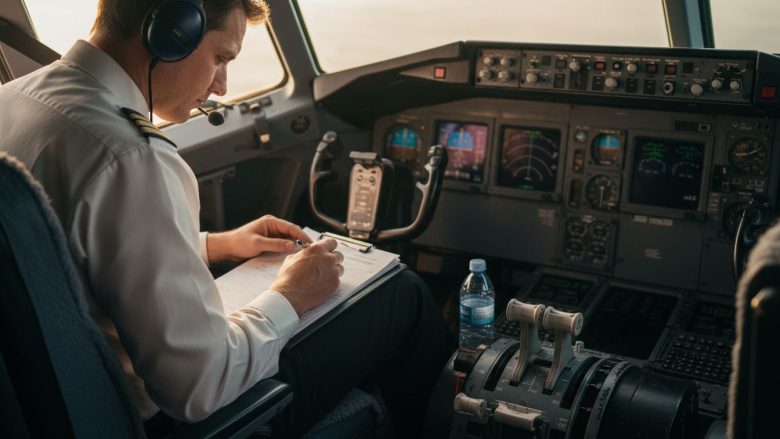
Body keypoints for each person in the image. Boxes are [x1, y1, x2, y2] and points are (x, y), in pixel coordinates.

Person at [0, 0, 453, 437]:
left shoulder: (16, 99)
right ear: (171, 31)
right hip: (154, 417)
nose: (221, 86)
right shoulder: (131, 157)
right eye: (220, 58)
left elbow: (59, 252)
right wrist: (291, 296)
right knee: (403, 293)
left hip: (41, 402)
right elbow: (200, 386)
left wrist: (214, 244)